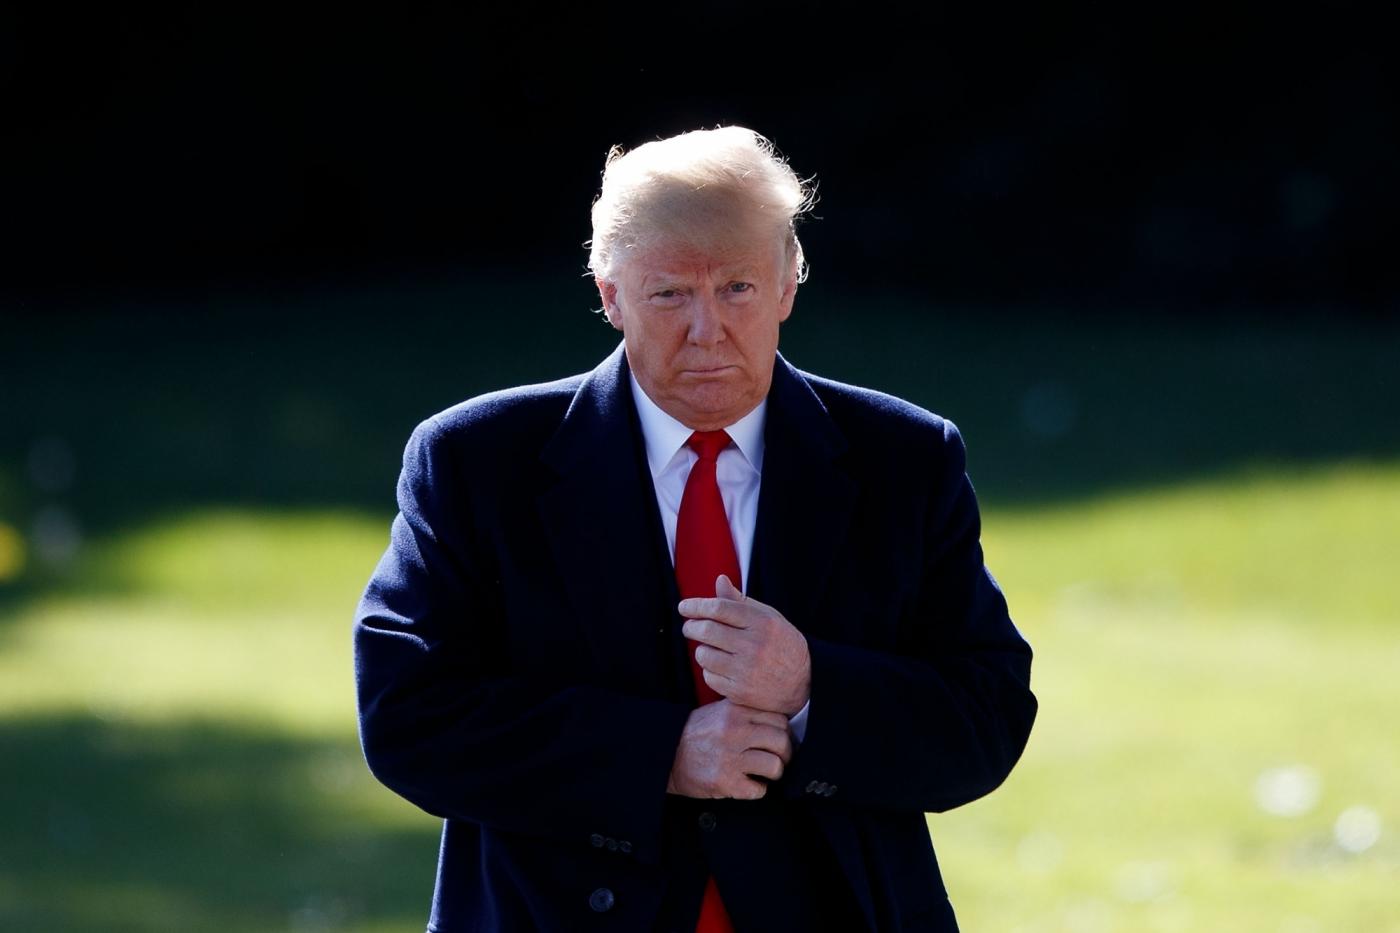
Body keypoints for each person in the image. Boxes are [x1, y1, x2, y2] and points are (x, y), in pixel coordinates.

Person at [353, 126, 1037, 933]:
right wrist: (660, 754)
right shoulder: (476, 460)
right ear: (609, 294)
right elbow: (408, 714)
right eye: (671, 293)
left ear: (789, 283)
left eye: (739, 288)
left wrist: (812, 686)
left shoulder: (906, 458)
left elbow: (986, 717)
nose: (708, 329)